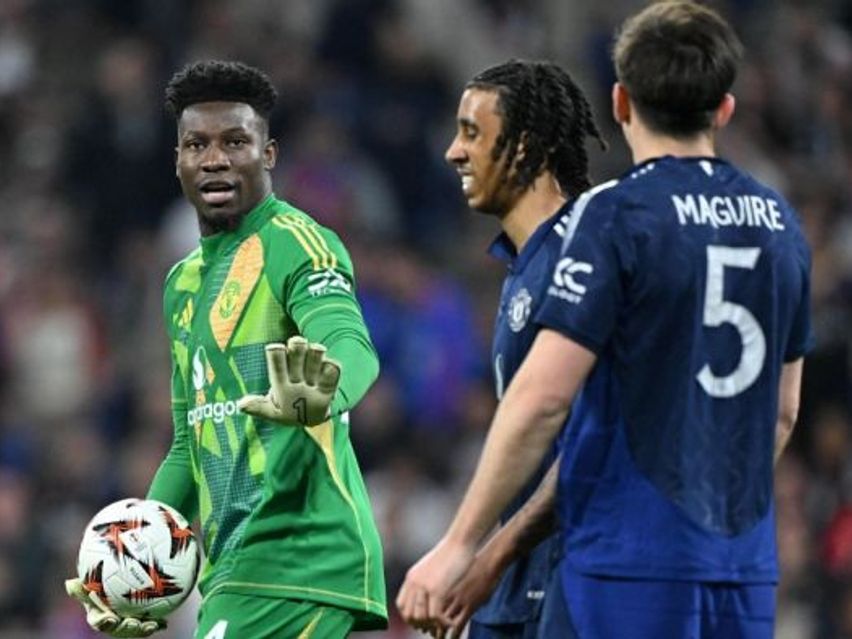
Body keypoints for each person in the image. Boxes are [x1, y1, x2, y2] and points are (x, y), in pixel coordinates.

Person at [397, 2, 812, 638]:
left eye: (470, 134)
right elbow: (781, 413)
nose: (455, 151)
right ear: (725, 109)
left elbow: (545, 400)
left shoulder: (613, 217)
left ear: (620, 102)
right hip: (739, 563)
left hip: (625, 561)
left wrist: (463, 545)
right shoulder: (780, 221)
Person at [66, 60, 388, 638]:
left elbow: (350, 343)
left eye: (235, 142)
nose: (214, 158)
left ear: (268, 154)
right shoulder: (182, 283)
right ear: (178, 161)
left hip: (299, 559)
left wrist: (326, 394)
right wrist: (133, 559)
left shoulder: (296, 243)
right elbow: (189, 443)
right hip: (233, 571)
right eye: (197, 145)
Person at [420, 59, 605, 639]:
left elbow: (590, 442)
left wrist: (481, 551)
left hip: (573, 581)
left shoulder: (583, 256)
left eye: (472, 133)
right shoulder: (527, 264)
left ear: (524, 146)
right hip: (521, 583)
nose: (453, 152)